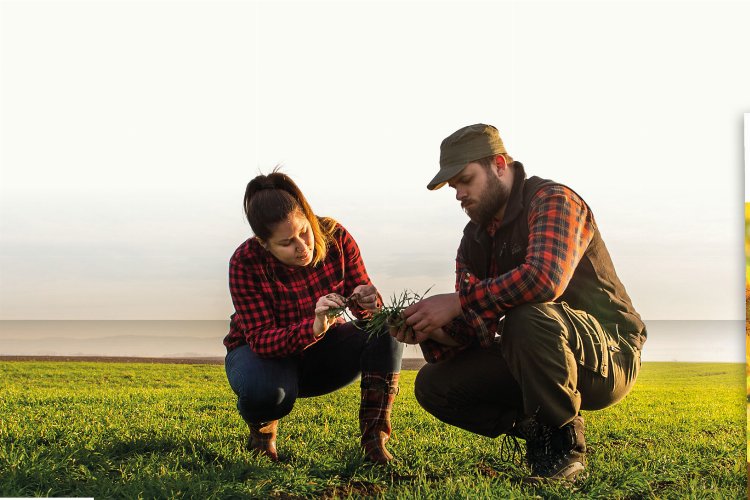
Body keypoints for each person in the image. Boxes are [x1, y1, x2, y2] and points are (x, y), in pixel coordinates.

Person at [391, 124, 646, 481]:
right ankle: (539, 429)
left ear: (498, 164)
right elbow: (472, 330)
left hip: (609, 355)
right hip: (529, 353)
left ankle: (563, 450)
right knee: (433, 384)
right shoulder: (473, 241)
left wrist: (459, 303)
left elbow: (544, 280)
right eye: (454, 188)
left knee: (527, 316)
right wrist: (430, 329)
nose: (459, 195)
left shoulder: (553, 200)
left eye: (465, 180)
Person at [223, 169, 403, 464]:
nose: (303, 247)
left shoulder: (336, 237)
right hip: (262, 356)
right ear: (264, 244)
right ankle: (262, 434)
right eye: (286, 243)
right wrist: (314, 326)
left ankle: (375, 441)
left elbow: (368, 313)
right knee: (266, 392)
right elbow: (261, 340)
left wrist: (369, 300)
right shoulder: (244, 262)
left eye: (304, 231)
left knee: (384, 331)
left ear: (308, 216)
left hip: (323, 354)